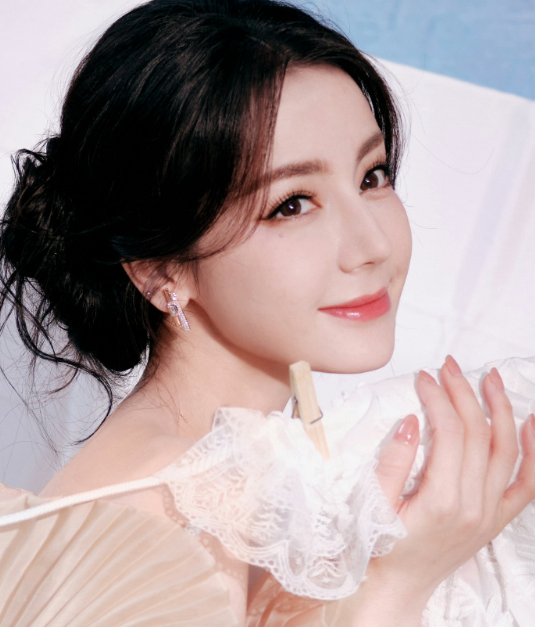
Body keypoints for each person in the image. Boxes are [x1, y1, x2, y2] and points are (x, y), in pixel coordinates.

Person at [0, 1, 534, 625]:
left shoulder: (250, 486)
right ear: (160, 270)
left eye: (372, 176)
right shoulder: (156, 519)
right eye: (292, 204)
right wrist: (394, 588)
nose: (373, 246)